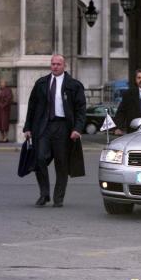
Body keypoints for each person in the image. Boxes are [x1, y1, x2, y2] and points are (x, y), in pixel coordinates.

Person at [23, 54, 86, 207]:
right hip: (44, 125)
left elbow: (81, 109)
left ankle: (58, 198)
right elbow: (32, 106)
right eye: (53, 64)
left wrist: (77, 128)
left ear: (64, 66)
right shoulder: (41, 83)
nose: (55, 66)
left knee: (61, 163)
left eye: (58, 64)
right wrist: (28, 127)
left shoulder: (74, 85)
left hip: (63, 127)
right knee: (39, 159)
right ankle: (44, 194)